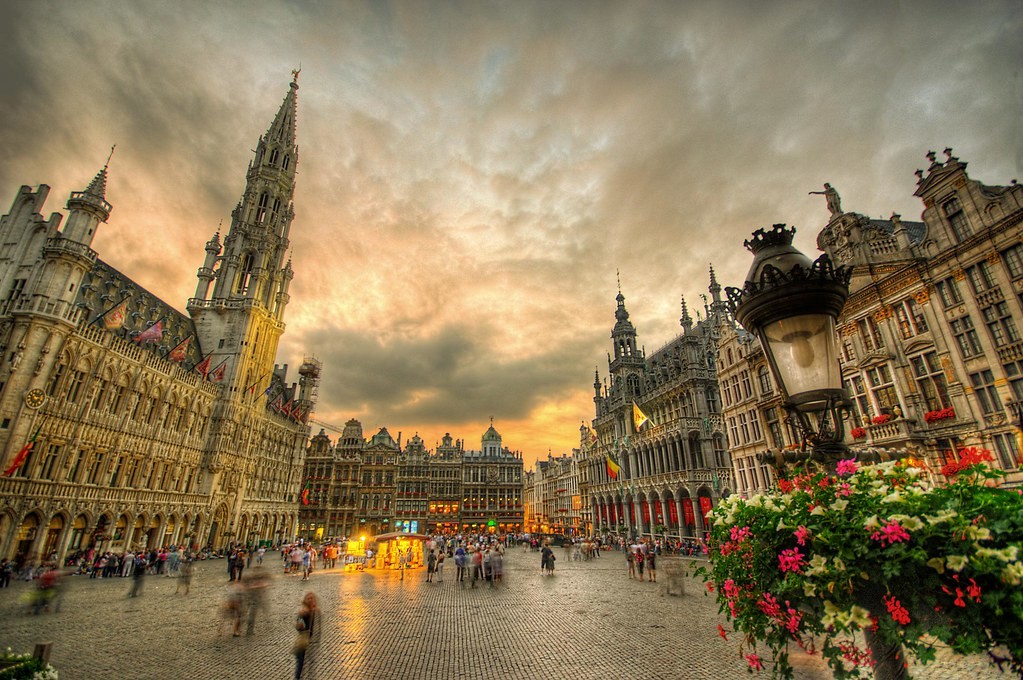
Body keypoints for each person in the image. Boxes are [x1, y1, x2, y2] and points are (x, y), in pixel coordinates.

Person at [293, 592, 317, 679]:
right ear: (305, 600)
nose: (310, 600)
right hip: (303, 642)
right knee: (300, 663)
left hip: (310, 642)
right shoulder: (304, 612)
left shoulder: (313, 611)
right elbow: (298, 626)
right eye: (308, 598)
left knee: (307, 663)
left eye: (312, 598)